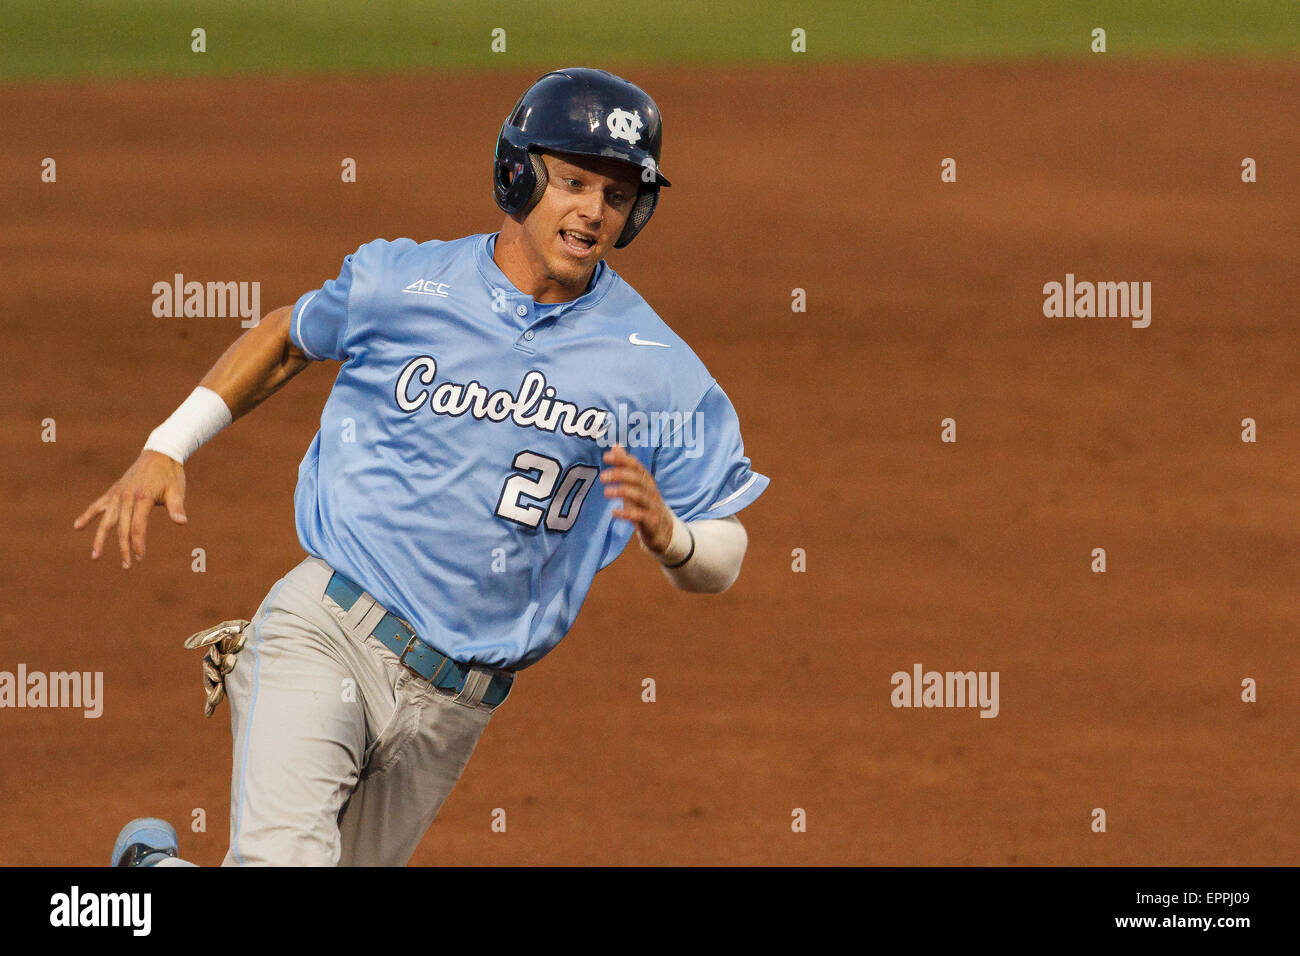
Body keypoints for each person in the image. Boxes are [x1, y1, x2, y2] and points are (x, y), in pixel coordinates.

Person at [77, 67, 768, 866]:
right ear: (520, 173)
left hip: (457, 704)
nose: (592, 211)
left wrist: (672, 537)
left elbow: (725, 550)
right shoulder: (403, 282)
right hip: (327, 630)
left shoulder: (654, 365)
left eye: (616, 195)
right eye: (573, 181)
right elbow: (287, 337)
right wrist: (168, 443)